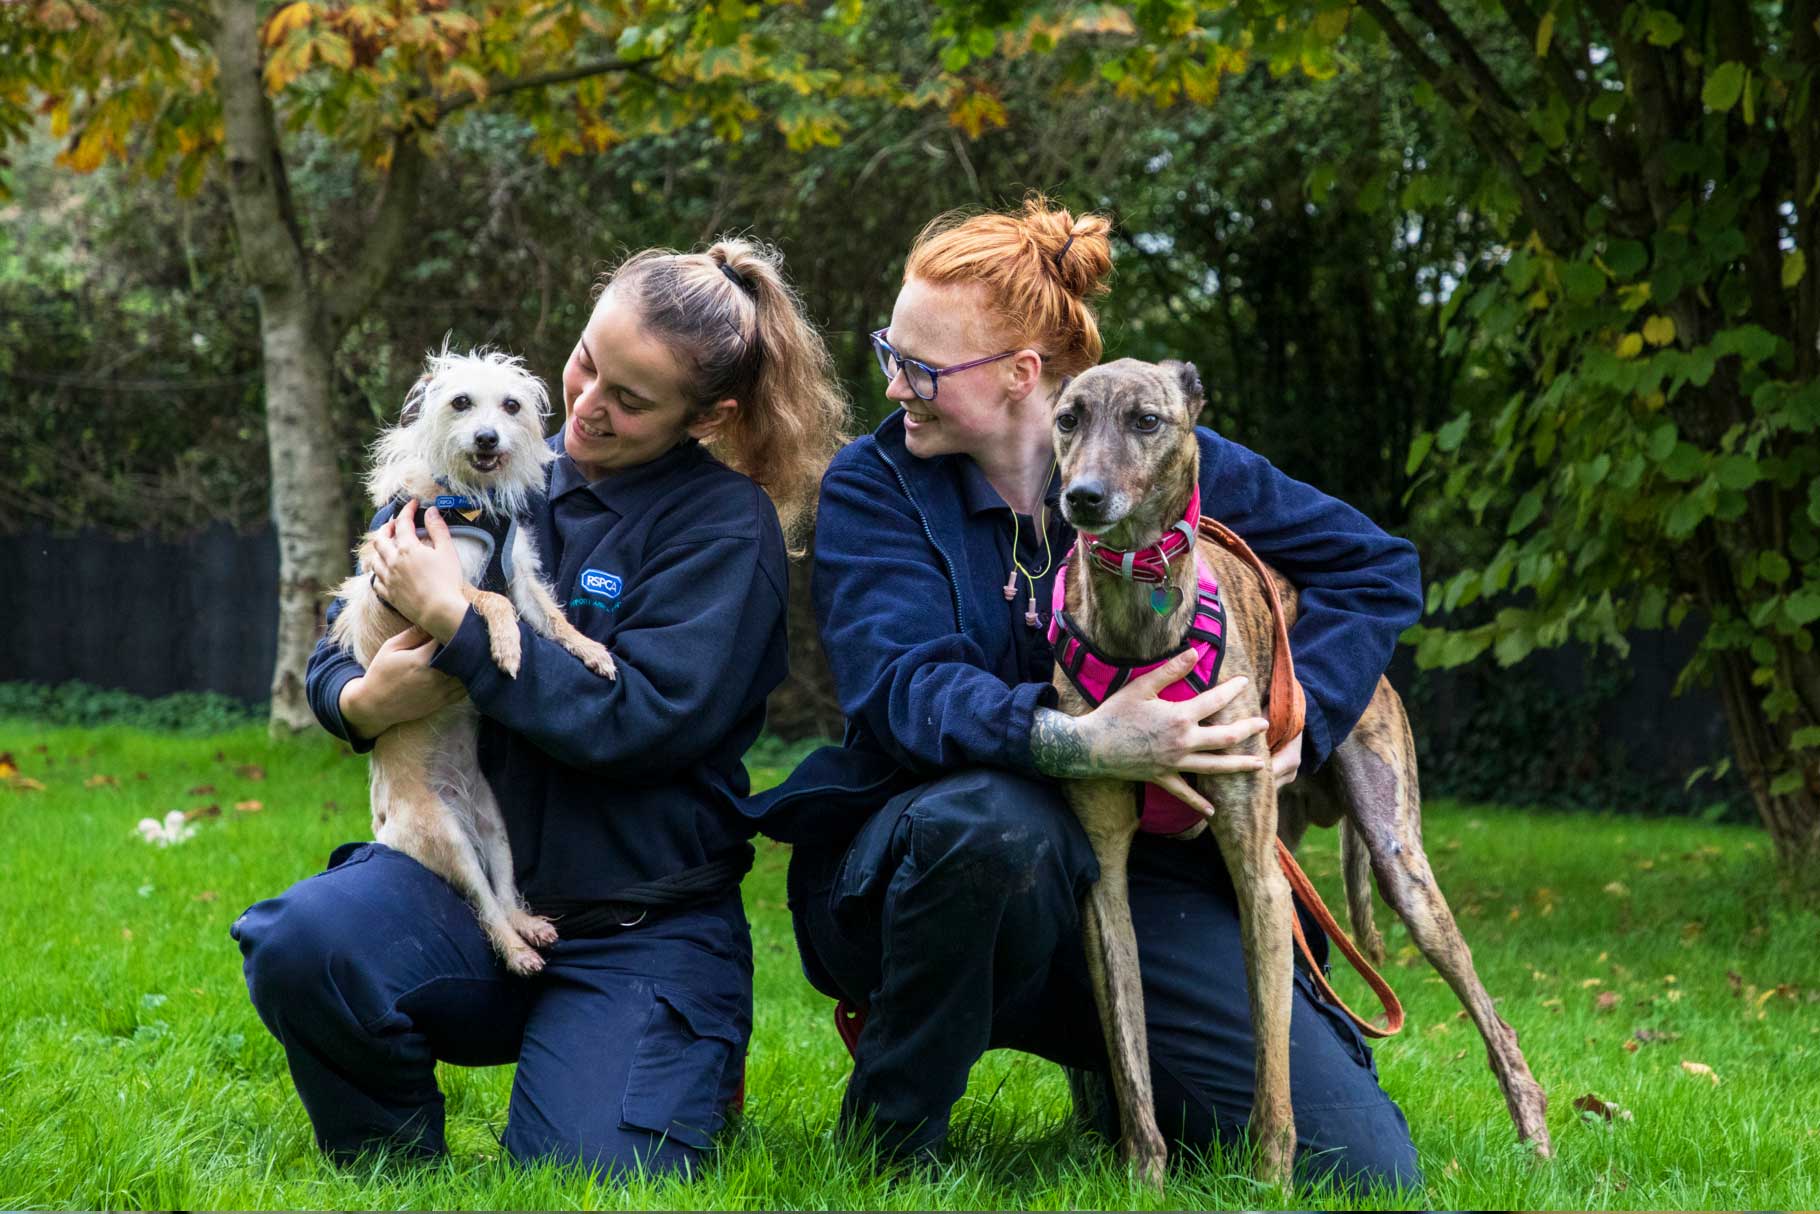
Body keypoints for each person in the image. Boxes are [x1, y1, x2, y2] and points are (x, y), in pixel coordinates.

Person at [748, 199, 1426, 1188]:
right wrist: (1084, 740)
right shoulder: (875, 484)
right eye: (888, 350)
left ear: (1024, 373)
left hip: (1149, 871)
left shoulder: (1171, 456)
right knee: (992, 825)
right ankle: (891, 1132)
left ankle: (1117, 1064)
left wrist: (1301, 719)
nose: (894, 384)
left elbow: (1374, 567)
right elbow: (901, 689)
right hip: (949, 844)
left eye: (922, 368)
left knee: (1361, 1169)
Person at [231, 238, 847, 1177]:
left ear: (709, 414)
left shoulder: (724, 528)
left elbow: (637, 722)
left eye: (631, 399)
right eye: (587, 363)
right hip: (468, 894)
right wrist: (355, 699)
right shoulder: (498, 467)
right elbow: (346, 620)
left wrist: (462, 628)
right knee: (303, 943)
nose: (589, 405)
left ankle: (678, 1058)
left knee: (580, 1179)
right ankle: (393, 1162)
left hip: (638, 926)